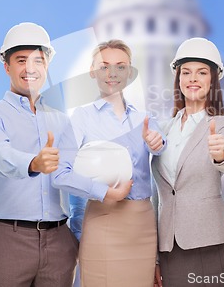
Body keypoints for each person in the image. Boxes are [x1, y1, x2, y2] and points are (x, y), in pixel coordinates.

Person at [52, 39, 165, 287]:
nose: (112, 73)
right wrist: (105, 192)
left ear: (130, 73)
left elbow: (162, 148)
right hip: (103, 222)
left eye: (120, 66)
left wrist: (157, 143)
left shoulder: (144, 119)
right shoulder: (81, 118)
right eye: (104, 66)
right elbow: (59, 174)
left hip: (142, 226)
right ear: (92, 72)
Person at [0, 22, 79, 287]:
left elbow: (76, 176)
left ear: (47, 67)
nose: (30, 68)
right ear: (6, 66)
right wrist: (34, 163)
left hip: (59, 241)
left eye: (38, 61)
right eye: (21, 60)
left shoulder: (62, 121)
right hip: (8, 239)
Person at [151, 37, 224, 286]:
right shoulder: (162, 129)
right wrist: (155, 258)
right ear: (178, 79)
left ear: (212, 80)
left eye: (201, 73)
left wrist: (220, 153)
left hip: (211, 242)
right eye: (186, 72)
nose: (193, 79)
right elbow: (157, 196)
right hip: (171, 247)